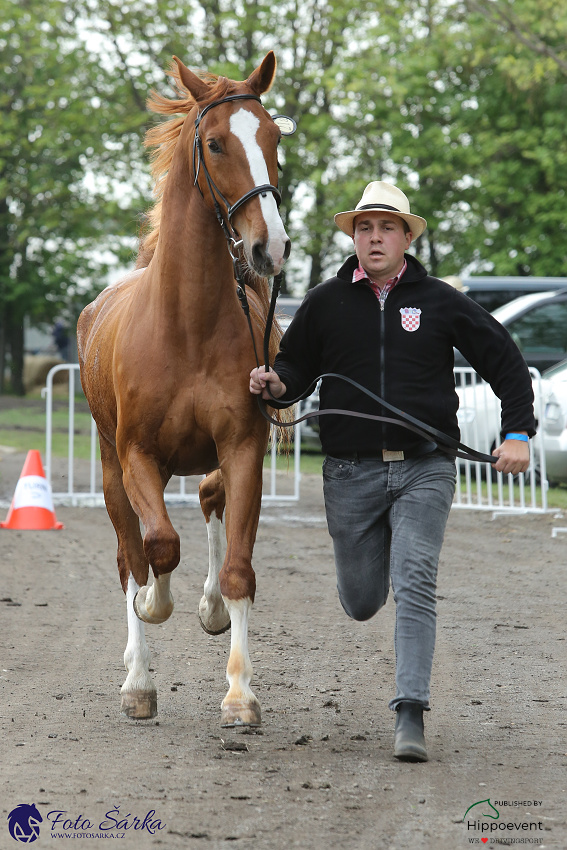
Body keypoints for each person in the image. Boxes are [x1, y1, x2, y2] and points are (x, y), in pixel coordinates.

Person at [250, 181, 535, 762]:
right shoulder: (325, 301)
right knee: (361, 600)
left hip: (426, 469)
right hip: (350, 474)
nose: (374, 238)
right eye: (364, 228)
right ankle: (369, 567)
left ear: (407, 236)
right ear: (353, 237)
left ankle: (410, 713)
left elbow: (505, 360)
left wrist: (517, 433)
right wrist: (276, 384)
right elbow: (295, 368)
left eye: (386, 228)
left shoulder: (440, 300)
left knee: (415, 581)